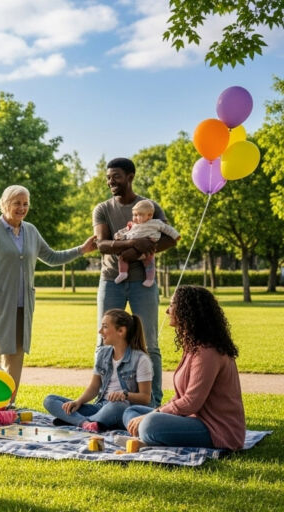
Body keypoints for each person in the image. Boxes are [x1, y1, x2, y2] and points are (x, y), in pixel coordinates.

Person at [0, 184, 96, 404]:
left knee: (15, 357)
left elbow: (51, 257)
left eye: (25, 203)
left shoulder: (31, 230)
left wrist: (81, 250)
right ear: (5, 204)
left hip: (23, 306)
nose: (22, 208)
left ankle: (7, 404)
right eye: (17, 203)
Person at [94, 158, 178, 406]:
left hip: (144, 283)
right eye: (108, 177)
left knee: (150, 343)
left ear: (130, 177)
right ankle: (102, 398)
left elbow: (170, 238)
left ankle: (153, 401)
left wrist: (140, 254)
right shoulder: (102, 209)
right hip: (111, 281)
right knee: (104, 342)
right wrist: (132, 244)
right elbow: (102, 244)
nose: (111, 181)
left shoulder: (150, 206)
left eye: (116, 176)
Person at [122, 286, 246, 450]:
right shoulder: (194, 346)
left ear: (187, 310)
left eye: (172, 305)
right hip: (193, 419)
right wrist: (155, 411)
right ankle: (150, 435)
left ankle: (149, 435)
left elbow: (190, 403)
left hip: (218, 430)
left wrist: (153, 415)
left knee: (150, 423)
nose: (167, 311)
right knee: (131, 411)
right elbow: (181, 397)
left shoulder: (207, 352)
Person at [43, 309, 153, 432]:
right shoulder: (102, 354)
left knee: (117, 407)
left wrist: (125, 395)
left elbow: (145, 398)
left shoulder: (141, 359)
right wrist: (78, 402)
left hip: (122, 408)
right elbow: (94, 387)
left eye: (105, 327)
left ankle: (74, 420)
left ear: (121, 331)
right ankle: (86, 423)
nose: (100, 331)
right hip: (99, 407)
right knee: (50, 400)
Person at [112, 200, 181, 287]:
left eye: (139, 215)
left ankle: (150, 279)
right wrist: (118, 235)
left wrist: (176, 235)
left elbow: (167, 229)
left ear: (149, 216)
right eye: (134, 215)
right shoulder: (132, 225)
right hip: (132, 245)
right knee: (122, 257)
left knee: (149, 263)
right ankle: (123, 273)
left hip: (148, 247)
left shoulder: (155, 223)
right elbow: (124, 231)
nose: (135, 217)